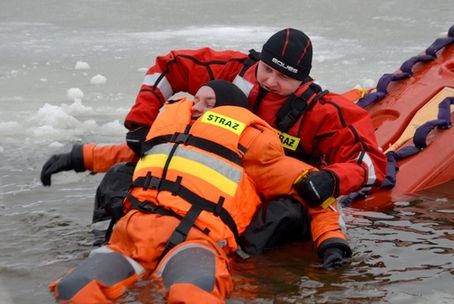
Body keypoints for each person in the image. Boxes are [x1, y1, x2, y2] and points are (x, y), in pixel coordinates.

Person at [42, 28, 385, 257]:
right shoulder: (232, 70)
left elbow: (370, 162)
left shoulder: (325, 112)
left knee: (291, 213)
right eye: (267, 70)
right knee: (121, 174)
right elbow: (170, 67)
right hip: (203, 175)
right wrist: (141, 122)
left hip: (262, 185)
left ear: (304, 78)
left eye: (285, 77)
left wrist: (331, 180)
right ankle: (113, 238)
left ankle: (234, 260)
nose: (270, 82)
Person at [49, 80, 350, 303]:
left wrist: (331, 242)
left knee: (193, 294)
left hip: (196, 241)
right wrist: (77, 156)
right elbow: (123, 154)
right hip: (131, 237)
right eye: (196, 99)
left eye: (208, 102)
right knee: (73, 289)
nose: (196, 107)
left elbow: (316, 193)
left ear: (229, 113)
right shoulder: (168, 134)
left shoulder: (252, 147)